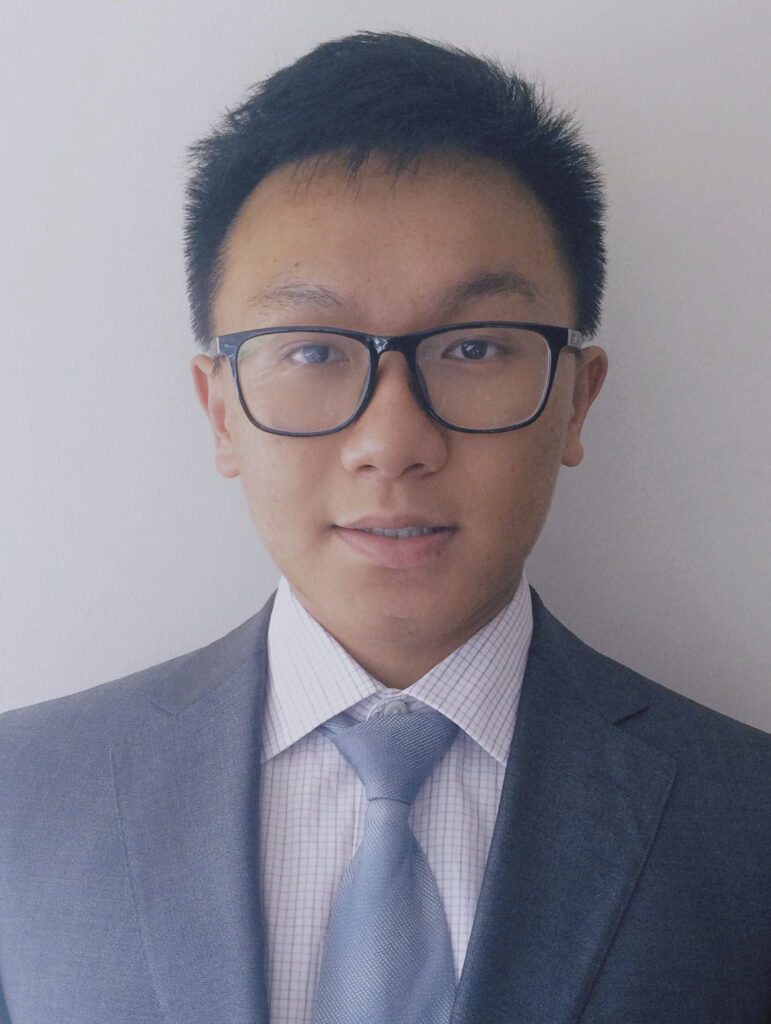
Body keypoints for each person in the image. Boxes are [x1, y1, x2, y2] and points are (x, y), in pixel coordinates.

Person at [0, 30, 768, 1024]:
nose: (393, 440)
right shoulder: (23, 799)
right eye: (313, 351)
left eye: (477, 344)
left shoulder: (746, 821)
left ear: (577, 402)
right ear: (220, 410)